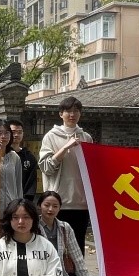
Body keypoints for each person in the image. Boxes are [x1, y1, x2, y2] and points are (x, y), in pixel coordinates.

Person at [38, 95, 94, 248]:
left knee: (78, 246)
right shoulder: (50, 137)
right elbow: (46, 167)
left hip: (81, 203)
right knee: (56, 246)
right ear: (60, 114)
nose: (72, 114)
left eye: (76, 111)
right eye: (68, 111)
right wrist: (65, 147)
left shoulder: (86, 138)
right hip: (57, 203)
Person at [36, 190, 97, 276]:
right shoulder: (33, 228)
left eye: (55, 206)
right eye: (46, 205)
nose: (50, 209)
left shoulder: (65, 228)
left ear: (60, 208)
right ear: (39, 206)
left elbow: (77, 258)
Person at [0, 118, 23, 208]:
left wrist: (19, 205)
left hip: (11, 206)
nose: (3, 136)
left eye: (6, 133)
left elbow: (18, 185)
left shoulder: (14, 157)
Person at [8, 118, 39, 201]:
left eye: (19, 132)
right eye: (13, 132)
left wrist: (25, 201)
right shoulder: (2, 154)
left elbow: (31, 182)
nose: (16, 135)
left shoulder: (29, 157)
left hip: (22, 200)